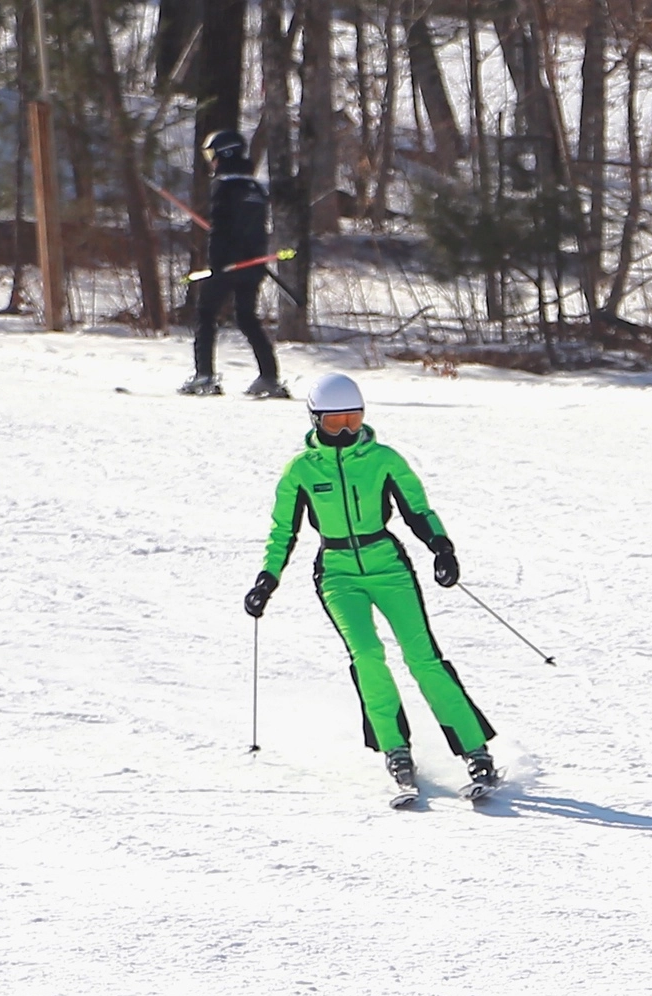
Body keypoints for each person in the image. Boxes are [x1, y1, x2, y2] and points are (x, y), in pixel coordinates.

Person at [243, 372, 501, 799]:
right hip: (337, 573)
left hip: (388, 565)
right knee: (367, 656)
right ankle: (395, 749)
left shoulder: (384, 459)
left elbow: (417, 509)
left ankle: (475, 750)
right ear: (315, 421)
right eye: (334, 422)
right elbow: (282, 532)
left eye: (353, 419)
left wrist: (442, 549)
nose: (345, 430)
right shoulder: (301, 471)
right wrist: (265, 581)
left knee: (424, 659)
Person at [181, 129, 285, 399]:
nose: (211, 161)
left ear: (223, 154)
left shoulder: (224, 185)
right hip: (252, 264)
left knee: (205, 313)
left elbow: (220, 229)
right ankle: (269, 376)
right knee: (246, 317)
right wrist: (255, 261)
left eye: (211, 155)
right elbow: (257, 229)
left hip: (227, 264)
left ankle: (204, 376)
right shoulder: (256, 187)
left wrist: (216, 264)